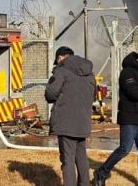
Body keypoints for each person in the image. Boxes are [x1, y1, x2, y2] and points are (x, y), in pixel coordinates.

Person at [93, 45, 138, 186]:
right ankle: (101, 173)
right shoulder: (128, 72)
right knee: (124, 149)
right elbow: (134, 93)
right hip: (130, 117)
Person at [45, 46, 95, 186]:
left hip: (65, 121)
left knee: (67, 159)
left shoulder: (61, 71)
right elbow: (93, 95)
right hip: (83, 121)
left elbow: (50, 94)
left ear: (60, 58)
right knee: (81, 156)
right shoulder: (89, 73)